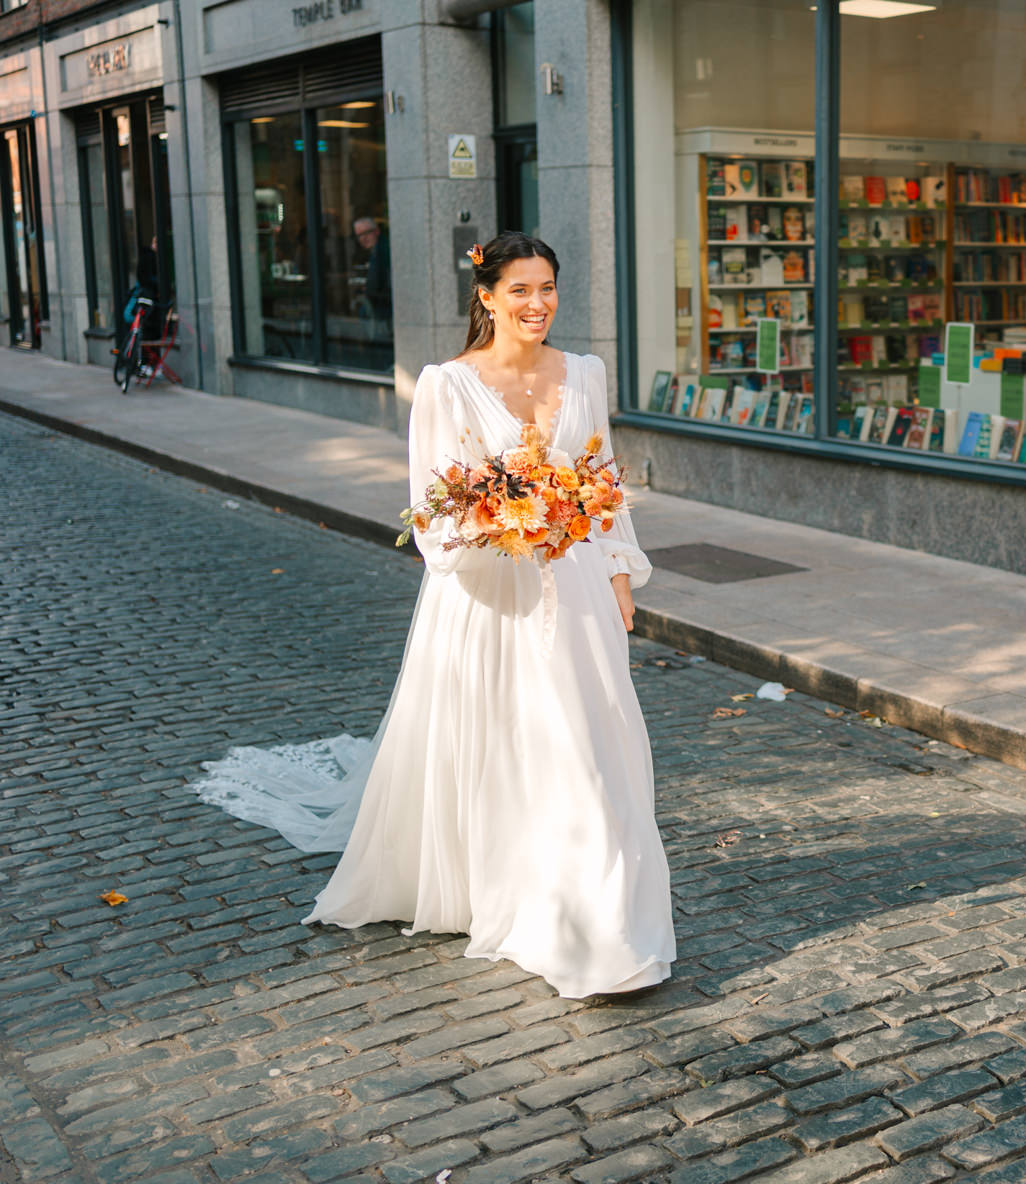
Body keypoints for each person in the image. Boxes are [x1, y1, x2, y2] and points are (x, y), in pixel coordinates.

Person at [193, 232, 675, 998]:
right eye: (519, 289)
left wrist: (619, 578)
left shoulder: (585, 373)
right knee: (508, 743)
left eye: (547, 287)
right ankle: (526, 896)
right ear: (485, 298)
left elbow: (602, 478)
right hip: (486, 594)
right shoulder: (447, 386)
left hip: (575, 589)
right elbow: (432, 512)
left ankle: (601, 920)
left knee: (586, 746)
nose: (537, 304)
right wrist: (500, 522)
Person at [354, 216, 393, 324]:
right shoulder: (377, 250)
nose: (363, 238)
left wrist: (368, 291)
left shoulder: (382, 250)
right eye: (359, 235)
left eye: (367, 233)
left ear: (376, 231)